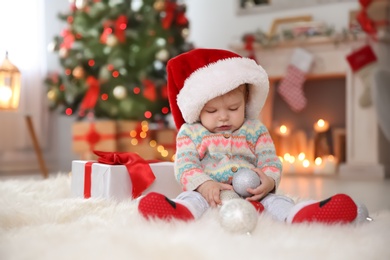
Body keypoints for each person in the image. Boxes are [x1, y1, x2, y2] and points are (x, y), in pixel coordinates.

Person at [138, 48, 368, 224]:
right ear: (198, 109)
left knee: (277, 202)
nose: (223, 118)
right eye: (212, 111)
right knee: (193, 200)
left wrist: (268, 181)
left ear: (246, 103)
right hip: (212, 194)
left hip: (253, 193)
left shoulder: (255, 129)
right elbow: (185, 164)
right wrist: (204, 184)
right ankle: (179, 213)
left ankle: (301, 216)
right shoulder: (191, 132)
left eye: (233, 108)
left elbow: (269, 160)